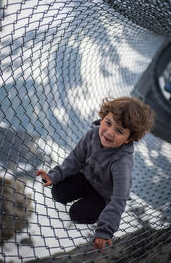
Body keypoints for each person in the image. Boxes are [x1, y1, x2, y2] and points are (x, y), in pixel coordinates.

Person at [36, 97, 155, 252]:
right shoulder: (92, 134)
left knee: (76, 214)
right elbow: (75, 159)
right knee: (58, 192)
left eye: (119, 131)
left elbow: (119, 199)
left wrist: (105, 231)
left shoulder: (122, 163)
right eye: (108, 122)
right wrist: (55, 175)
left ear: (129, 139)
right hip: (87, 178)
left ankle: (98, 213)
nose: (109, 132)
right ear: (102, 117)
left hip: (103, 197)